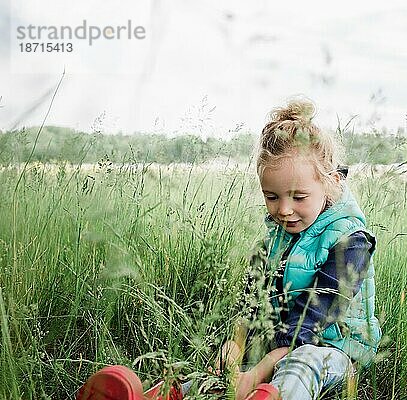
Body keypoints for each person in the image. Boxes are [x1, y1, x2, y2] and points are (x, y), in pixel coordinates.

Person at [76, 98, 381, 400]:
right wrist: (232, 350)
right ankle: (163, 395)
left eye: (298, 197)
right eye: (272, 197)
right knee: (220, 371)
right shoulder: (272, 242)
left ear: (330, 183)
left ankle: (269, 394)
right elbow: (250, 307)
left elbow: (310, 323)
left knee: (301, 363)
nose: (284, 210)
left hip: (331, 352)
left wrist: (258, 370)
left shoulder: (352, 241)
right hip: (272, 348)